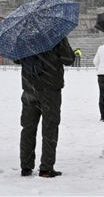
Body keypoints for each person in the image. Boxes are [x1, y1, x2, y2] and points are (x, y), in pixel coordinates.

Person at [17, 37, 75, 178]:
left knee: (28, 129)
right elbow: (69, 59)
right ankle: (46, 168)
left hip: (29, 88)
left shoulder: (24, 37)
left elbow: (17, 59)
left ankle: (26, 167)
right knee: (50, 128)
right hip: (50, 89)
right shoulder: (56, 36)